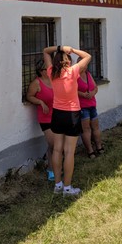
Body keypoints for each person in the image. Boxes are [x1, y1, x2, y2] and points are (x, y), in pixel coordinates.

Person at [43, 44, 92, 197]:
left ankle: (57, 185)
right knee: (69, 151)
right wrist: (72, 50)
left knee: (57, 149)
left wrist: (60, 47)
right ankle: (67, 188)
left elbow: (45, 51)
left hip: (57, 113)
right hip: (72, 114)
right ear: (68, 61)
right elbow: (87, 56)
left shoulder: (52, 72)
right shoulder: (73, 71)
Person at [26, 58, 55, 181]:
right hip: (45, 117)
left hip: (58, 115)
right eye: (48, 69)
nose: (50, 70)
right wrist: (40, 102)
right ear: (41, 71)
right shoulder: (36, 83)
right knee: (53, 144)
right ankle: (50, 169)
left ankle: (53, 164)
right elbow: (29, 96)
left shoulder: (54, 80)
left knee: (57, 145)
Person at [77, 68, 104, 158]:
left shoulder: (88, 74)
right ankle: (90, 150)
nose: (85, 66)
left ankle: (99, 146)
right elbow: (71, 90)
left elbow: (95, 87)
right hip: (82, 106)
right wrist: (83, 94)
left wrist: (93, 93)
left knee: (95, 127)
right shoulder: (75, 76)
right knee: (86, 129)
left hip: (92, 105)